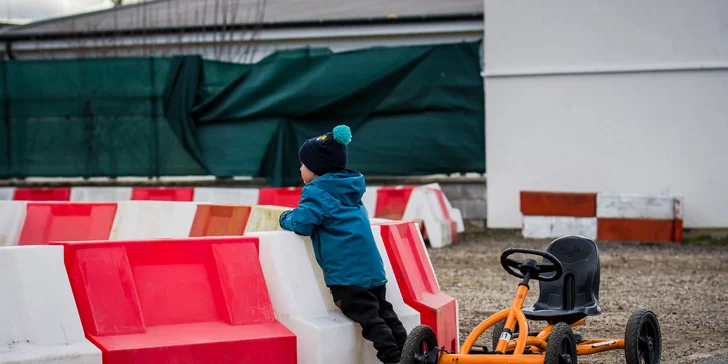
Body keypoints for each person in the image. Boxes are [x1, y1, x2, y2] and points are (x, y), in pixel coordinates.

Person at [278, 124, 407, 364]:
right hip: (371, 270)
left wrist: (285, 218)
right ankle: (413, 352)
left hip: (347, 275)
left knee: (370, 320)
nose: (300, 169)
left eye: (304, 164)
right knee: (385, 312)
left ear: (317, 169)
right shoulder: (350, 188)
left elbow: (303, 223)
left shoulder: (316, 192)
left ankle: (393, 359)